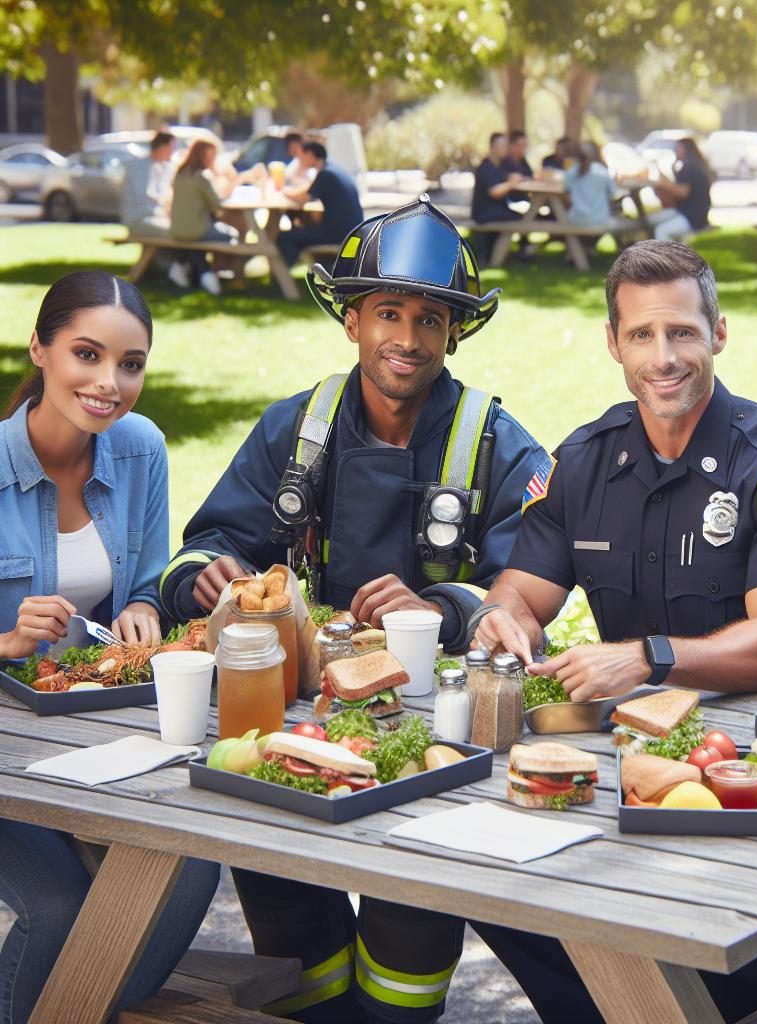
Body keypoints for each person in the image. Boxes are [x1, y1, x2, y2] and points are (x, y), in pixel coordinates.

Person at [159, 197, 563, 1023]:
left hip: (433, 741)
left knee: (405, 957)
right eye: (387, 312)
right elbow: (203, 544)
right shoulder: (294, 429)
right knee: (294, 950)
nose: (407, 339)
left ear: (455, 332)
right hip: (286, 722)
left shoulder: (496, 440)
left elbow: (533, 585)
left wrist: (442, 608)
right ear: (350, 319)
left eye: (429, 319)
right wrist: (206, 579)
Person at [471, 239, 757, 1022]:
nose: (663, 356)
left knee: (696, 946)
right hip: (616, 757)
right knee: (490, 883)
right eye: (641, 335)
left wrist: (648, 658)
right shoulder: (583, 459)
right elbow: (521, 593)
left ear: (719, 333)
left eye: (682, 333)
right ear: (613, 343)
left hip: (739, 770)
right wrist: (503, 616)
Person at [0, 270, 220, 1024]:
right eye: (86, 355)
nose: (108, 383)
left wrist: (137, 609)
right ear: (40, 348)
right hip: (6, 750)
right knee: (59, 904)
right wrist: (8, 639)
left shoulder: (139, 450)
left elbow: (149, 577)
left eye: (130, 364)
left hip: (98, 725)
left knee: (190, 859)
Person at [276, 140, 363, 268]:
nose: (299, 161)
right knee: (303, 230)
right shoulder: (334, 169)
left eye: (301, 157)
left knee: (284, 238)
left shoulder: (326, 174)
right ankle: (324, 272)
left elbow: (304, 199)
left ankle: (285, 280)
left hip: (338, 234)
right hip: (354, 231)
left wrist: (284, 192)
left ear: (310, 155)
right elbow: (309, 191)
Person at [120, 130, 191, 288]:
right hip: (138, 218)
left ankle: (175, 269)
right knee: (178, 231)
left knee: (183, 229)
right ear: (163, 147)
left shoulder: (167, 168)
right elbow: (145, 198)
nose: (174, 152)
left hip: (158, 217)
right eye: (172, 148)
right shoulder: (138, 167)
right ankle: (176, 268)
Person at [169, 138, 239, 296]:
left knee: (197, 242)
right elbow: (217, 205)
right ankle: (212, 274)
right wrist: (235, 183)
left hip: (176, 229)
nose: (212, 160)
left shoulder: (180, 174)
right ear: (201, 156)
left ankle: (184, 267)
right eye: (210, 156)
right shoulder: (202, 177)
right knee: (231, 235)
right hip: (196, 231)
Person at [470, 132, 526, 263]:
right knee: (522, 219)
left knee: (523, 217)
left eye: (506, 145)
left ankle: (516, 251)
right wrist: (511, 183)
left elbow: (511, 176)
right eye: (502, 145)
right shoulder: (486, 167)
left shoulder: (500, 165)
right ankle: (517, 253)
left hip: (496, 209)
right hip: (484, 213)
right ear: (492, 147)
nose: (505, 148)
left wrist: (513, 178)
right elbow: (494, 191)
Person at [650, 137, 712, 241]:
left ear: (685, 149)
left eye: (678, 147)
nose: (675, 150)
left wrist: (664, 185)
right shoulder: (693, 164)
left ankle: (665, 257)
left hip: (692, 217)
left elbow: (682, 193)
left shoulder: (689, 167)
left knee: (661, 230)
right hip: (688, 212)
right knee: (650, 220)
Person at [564, 141, 616, 227]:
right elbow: (613, 192)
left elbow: (566, 196)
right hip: (600, 219)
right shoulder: (603, 172)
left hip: (577, 219)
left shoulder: (571, 172)